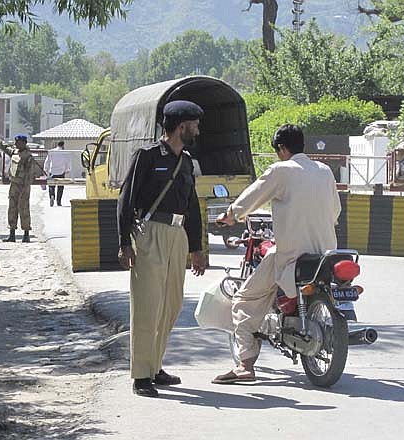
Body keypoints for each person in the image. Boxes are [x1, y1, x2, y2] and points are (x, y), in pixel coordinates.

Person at [212, 124, 341, 384]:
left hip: (292, 254)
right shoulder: (325, 171)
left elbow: (255, 195)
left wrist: (231, 215)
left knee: (243, 300)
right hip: (326, 254)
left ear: (282, 149)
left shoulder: (281, 170)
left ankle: (245, 364)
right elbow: (335, 211)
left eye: (278, 151)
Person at [117, 100, 207, 398]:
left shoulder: (186, 161)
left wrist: (196, 247)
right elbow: (126, 199)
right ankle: (141, 375)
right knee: (147, 306)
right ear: (182, 126)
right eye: (194, 124)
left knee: (171, 305)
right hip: (151, 233)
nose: (198, 129)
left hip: (177, 235)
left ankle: (155, 365)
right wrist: (124, 243)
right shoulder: (147, 156)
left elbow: (192, 206)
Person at [0, 129, 35, 243]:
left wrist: (25, 187)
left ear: (24, 143)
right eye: (16, 142)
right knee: (12, 209)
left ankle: (26, 234)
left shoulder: (28, 157)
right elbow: (3, 146)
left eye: (19, 142)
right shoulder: (14, 152)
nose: (17, 144)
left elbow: (30, 174)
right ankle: (12, 234)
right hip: (14, 184)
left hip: (23, 185)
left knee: (24, 209)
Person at [43, 140, 71, 206]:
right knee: (60, 186)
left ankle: (52, 195)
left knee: (51, 185)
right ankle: (59, 201)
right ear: (63, 145)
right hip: (61, 172)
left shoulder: (52, 151)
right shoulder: (64, 152)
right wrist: (67, 169)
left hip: (52, 171)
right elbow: (67, 162)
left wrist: (45, 169)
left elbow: (47, 161)